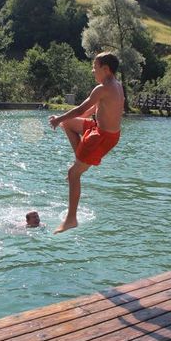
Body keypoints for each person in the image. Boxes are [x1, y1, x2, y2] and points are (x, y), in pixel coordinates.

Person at [48, 52, 124, 234]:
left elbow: (81, 108)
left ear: (105, 69)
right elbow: (95, 107)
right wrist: (70, 119)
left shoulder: (102, 88)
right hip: (101, 130)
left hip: (102, 137)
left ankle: (71, 219)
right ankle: (81, 162)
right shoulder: (115, 85)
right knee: (69, 123)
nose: (92, 71)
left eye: (94, 67)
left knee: (73, 174)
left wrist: (58, 119)